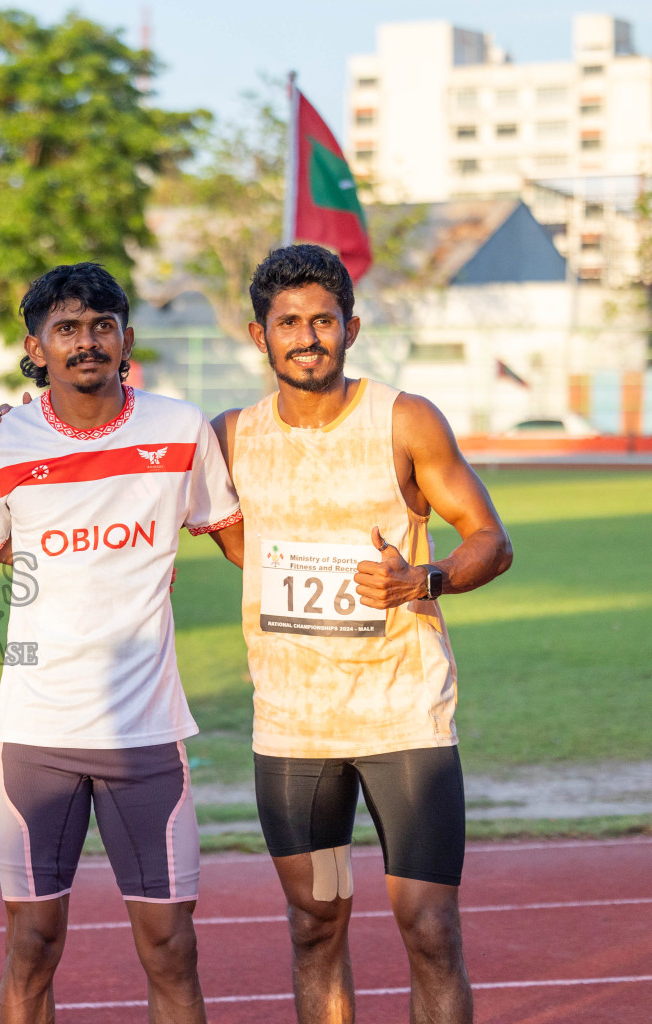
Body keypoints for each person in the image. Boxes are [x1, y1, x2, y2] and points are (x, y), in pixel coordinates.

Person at [0, 262, 243, 1024]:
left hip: (147, 739)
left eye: (102, 325)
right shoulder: (0, 445)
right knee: (32, 945)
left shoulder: (178, 428)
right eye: (67, 328)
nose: (86, 342)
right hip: (38, 739)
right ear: (35, 347)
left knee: (171, 949)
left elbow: (247, 547)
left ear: (127, 339)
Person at [212, 244, 512, 1024]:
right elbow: (122, 456)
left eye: (323, 320)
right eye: (288, 323)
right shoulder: (229, 438)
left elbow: (490, 538)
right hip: (292, 727)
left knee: (429, 929)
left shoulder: (403, 419)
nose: (307, 337)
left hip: (402, 715)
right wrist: (19, 414)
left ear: (351, 325)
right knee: (315, 927)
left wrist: (428, 578)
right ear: (258, 335)